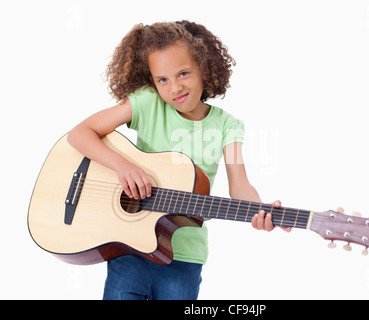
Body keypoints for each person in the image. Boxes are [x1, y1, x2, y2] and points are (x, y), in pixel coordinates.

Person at [67, 20, 290, 300]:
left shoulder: (227, 126)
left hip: (185, 257)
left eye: (183, 73)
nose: (174, 88)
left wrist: (260, 211)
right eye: (162, 79)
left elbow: (240, 186)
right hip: (129, 249)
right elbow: (79, 134)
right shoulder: (147, 104)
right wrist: (123, 166)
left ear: (204, 69)